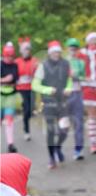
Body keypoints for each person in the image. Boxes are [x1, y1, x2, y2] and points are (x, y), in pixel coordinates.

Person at [32, 41, 72, 169]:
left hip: (62, 101)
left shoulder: (66, 64)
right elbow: (34, 85)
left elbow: (70, 80)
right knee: (50, 131)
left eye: (58, 52)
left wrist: (69, 88)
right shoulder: (42, 66)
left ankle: (57, 147)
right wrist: (48, 90)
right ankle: (51, 158)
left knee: (65, 129)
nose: (56, 54)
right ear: (50, 53)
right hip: (49, 102)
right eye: (54, 52)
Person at [65, 38, 86, 160]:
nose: (73, 50)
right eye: (71, 48)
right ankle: (56, 150)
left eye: (75, 48)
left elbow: (85, 78)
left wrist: (77, 76)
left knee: (78, 123)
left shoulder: (80, 63)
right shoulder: (62, 62)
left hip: (77, 94)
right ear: (67, 49)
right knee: (63, 124)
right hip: (65, 95)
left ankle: (78, 150)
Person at [16, 38, 39, 143]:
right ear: (21, 51)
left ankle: (26, 115)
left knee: (30, 110)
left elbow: (38, 73)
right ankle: (26, 131)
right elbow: (14, 74)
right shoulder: (17, 62)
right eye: (25, 49)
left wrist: (36, 69)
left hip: (31, 88)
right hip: (21, 88)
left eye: (28, 49)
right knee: (26, 109)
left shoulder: (34, 61)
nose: (27, 51)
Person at [1, 42, 20, 154]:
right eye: (8, 56)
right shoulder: (0, 64)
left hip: (11, 96)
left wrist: (8, 79)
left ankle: (10, 144)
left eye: (12, 56)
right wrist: (4, 80)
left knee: (9, 120)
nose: (10, 58)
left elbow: (14, 78)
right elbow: (9, 79)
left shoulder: (14, 65)